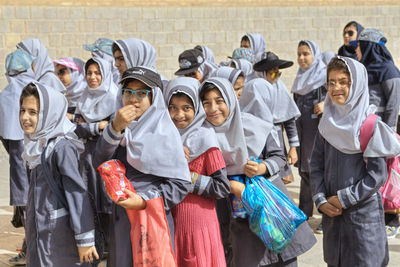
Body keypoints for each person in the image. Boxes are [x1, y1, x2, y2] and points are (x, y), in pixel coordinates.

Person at [200, 77, 316, 267]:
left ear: (231, 99)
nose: (213, 108)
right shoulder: (203, 137)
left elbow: (279, 157)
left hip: (271, 210)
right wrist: (228, 185)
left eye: (219, 101)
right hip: (238, 220)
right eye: (206, 103)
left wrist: (262, 167)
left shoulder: (254, 126)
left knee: (282, 257)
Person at [92, 67, 191, 266]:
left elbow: (180, 185)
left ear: (153, 98)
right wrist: (115, 128)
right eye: (128, 92)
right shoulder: (121, 128)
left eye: (141, 93)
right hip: (122, 221)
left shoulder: (165, 133)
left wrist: (144, 200)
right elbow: (100, 162)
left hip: (151, 220)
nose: (133, 99)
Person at [310, 56, 400, 267]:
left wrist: (344, 198)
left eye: (343, 82)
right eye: (331, 82)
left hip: (363, 219)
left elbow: (377, 176)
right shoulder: (327, 124)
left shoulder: (369, 125)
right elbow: (316, 164)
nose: (336, 88)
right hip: (333, 215)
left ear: (357, 84)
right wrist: (321, 199)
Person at [20, 82, 98, 266]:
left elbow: (76, 192)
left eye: (33, 112)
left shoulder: (61, 147)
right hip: (39, 231)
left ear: (50, 113)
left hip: (59, 235)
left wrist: (84, 238)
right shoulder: (34, 144)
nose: (25, 117)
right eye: (22, 110)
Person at [165, 77, 229, 267]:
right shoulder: (164, 139)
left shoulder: (205, 139)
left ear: (197, 109)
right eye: (173, 108)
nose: (179, 114)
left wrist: (186, 175)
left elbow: (221, 187)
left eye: (186, 108)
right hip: (171, 223)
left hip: (198, 227)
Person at [351, 28, 400, 237]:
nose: (357, 51)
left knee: (386, 174)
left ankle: (392, 219)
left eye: (359, 46)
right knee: (368, 174)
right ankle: (374, 214)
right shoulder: (363, 69)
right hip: (364, 131)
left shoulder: (389, 70)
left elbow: (392, 105)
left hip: (380, 131)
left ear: (369, 46)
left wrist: (386, 134)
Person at [73, 57, 119, 251]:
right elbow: (75, 128)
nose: (92, 77)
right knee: (90, 199)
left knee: (109, 198)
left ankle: (112, 245)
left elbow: (115, 128)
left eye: (97, 72)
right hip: (88, 155)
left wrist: (88, 126)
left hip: (108, 154)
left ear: (105, 74)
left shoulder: (115, 97)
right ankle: (97, 244)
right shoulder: (84, 97)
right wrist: (96, 126)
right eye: (89, 73)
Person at [243, 52, 301, 185]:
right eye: (273, 73)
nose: (276, 77)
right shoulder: (253, 88)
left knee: (278, 177)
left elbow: (289, 118)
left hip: (276, 140)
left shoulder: (280, 88)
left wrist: (293, 147)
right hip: (257, 141)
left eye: (278, 73)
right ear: (262, 73)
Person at [0, 50, 35, 266]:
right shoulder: (36, 92)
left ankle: (30, 251)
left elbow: (4, 136)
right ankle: (30, 250)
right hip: (33, 163)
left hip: (19, 165)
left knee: (27, 210)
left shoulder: (5, 96)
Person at [291, 41, 327, 229]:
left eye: (306, 53)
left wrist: (325, 105)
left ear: (315, 55)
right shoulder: (299, 79)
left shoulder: (323, 78)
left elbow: (339, 102)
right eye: (299, 54)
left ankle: (325, 215)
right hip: (302, 133)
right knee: (304, 172)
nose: (302, 58)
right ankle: (304, 213)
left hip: (318, 134)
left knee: (318, 173)